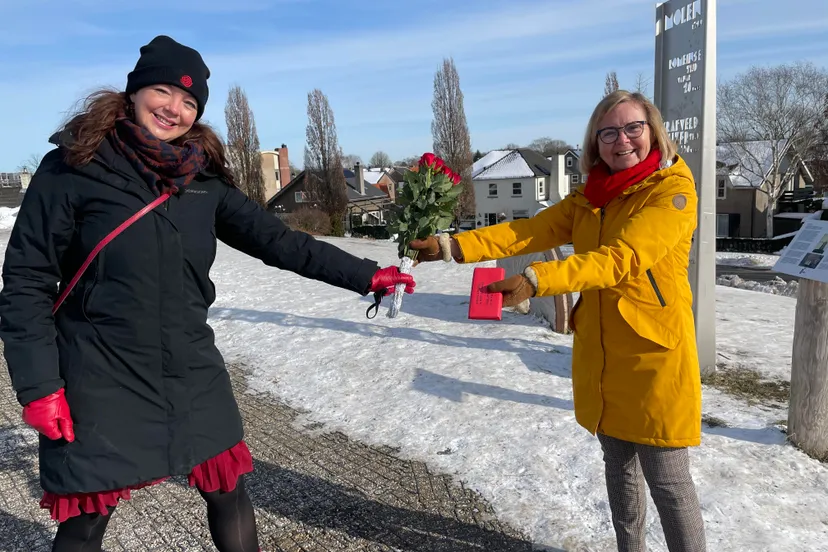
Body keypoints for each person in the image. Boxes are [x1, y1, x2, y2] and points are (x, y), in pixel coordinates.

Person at [0, 35, 414, 552]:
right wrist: (39, 386)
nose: (174, 108)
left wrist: (367, 275)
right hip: (100, 369)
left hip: (189, 365)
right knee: (87, 516)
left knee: (228, 490)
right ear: (133, 93)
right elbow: (26, 283)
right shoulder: (73, 168)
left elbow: (279, 241)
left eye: (189, 102)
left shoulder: (200, 179)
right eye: (164, 91)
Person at [410, 90, 706, 551]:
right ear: (594, 143)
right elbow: (528, 230)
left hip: (654, 355)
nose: (621, 140)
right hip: (603, 349)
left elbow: (620, 258)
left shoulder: (672, 192)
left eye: (633, 128)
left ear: (653, 132)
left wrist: (536, 278)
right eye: (608, 132)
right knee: (619, 469)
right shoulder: (591, 197)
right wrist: (453, 246)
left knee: (667, 480)